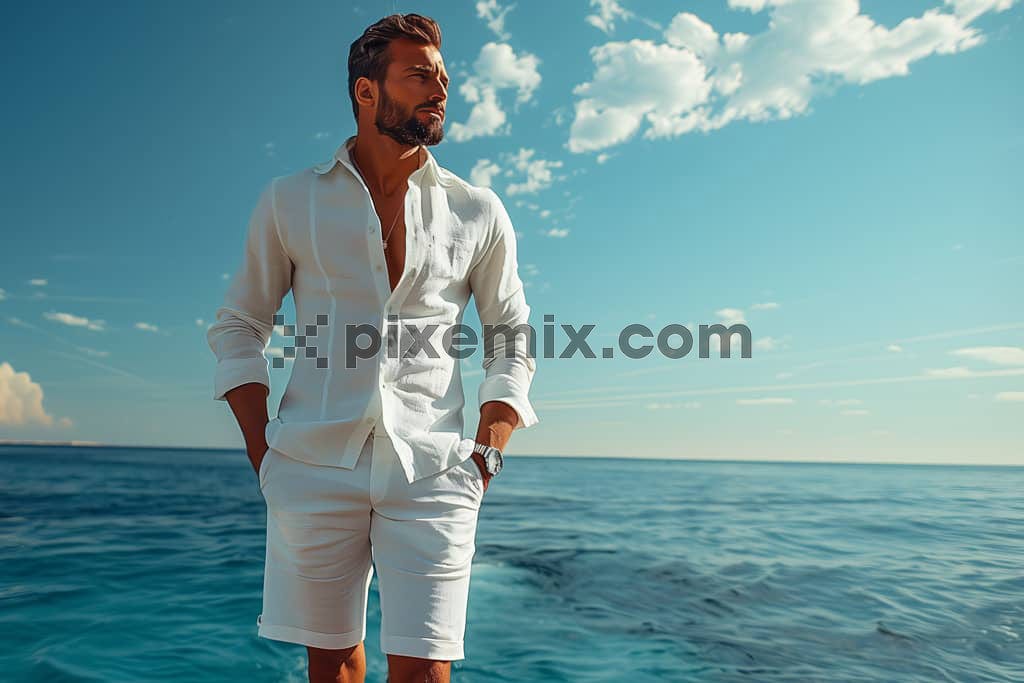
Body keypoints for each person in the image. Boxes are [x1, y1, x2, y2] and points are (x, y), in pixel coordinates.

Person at [205, 13, 538, 683]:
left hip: (436, 468)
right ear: (366, 91)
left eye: (443, 77)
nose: (440, 89)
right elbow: (240, 324)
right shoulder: (290, 201)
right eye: (420, 75)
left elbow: (512, 335)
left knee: (425, 670)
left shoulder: (479, 210)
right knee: (332, 664)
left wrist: (487, 454)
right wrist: (263, 454)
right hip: (311, 462)